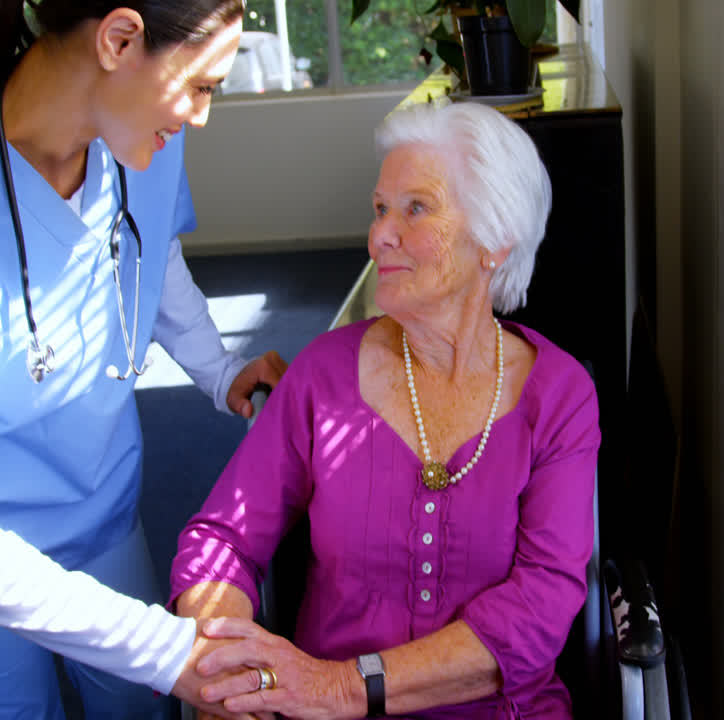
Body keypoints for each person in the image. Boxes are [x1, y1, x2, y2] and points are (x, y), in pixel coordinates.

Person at [0, 1, 286, 717]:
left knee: (135, 702)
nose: (202, 115)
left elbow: (149, 252)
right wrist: (166, 650)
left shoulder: (144, 140)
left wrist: (219, 369)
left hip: (90, 495)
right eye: (200, 86)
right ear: (120, 40)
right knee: (15, 706)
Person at [170, 101, 601, 719]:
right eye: (379, 209)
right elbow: (222, 539)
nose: (379, 237)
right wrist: (228, 661)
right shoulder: (324, 375)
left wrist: (340, 687)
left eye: (415, 208)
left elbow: (541, 605)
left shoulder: (557, 395)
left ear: (495, 240)